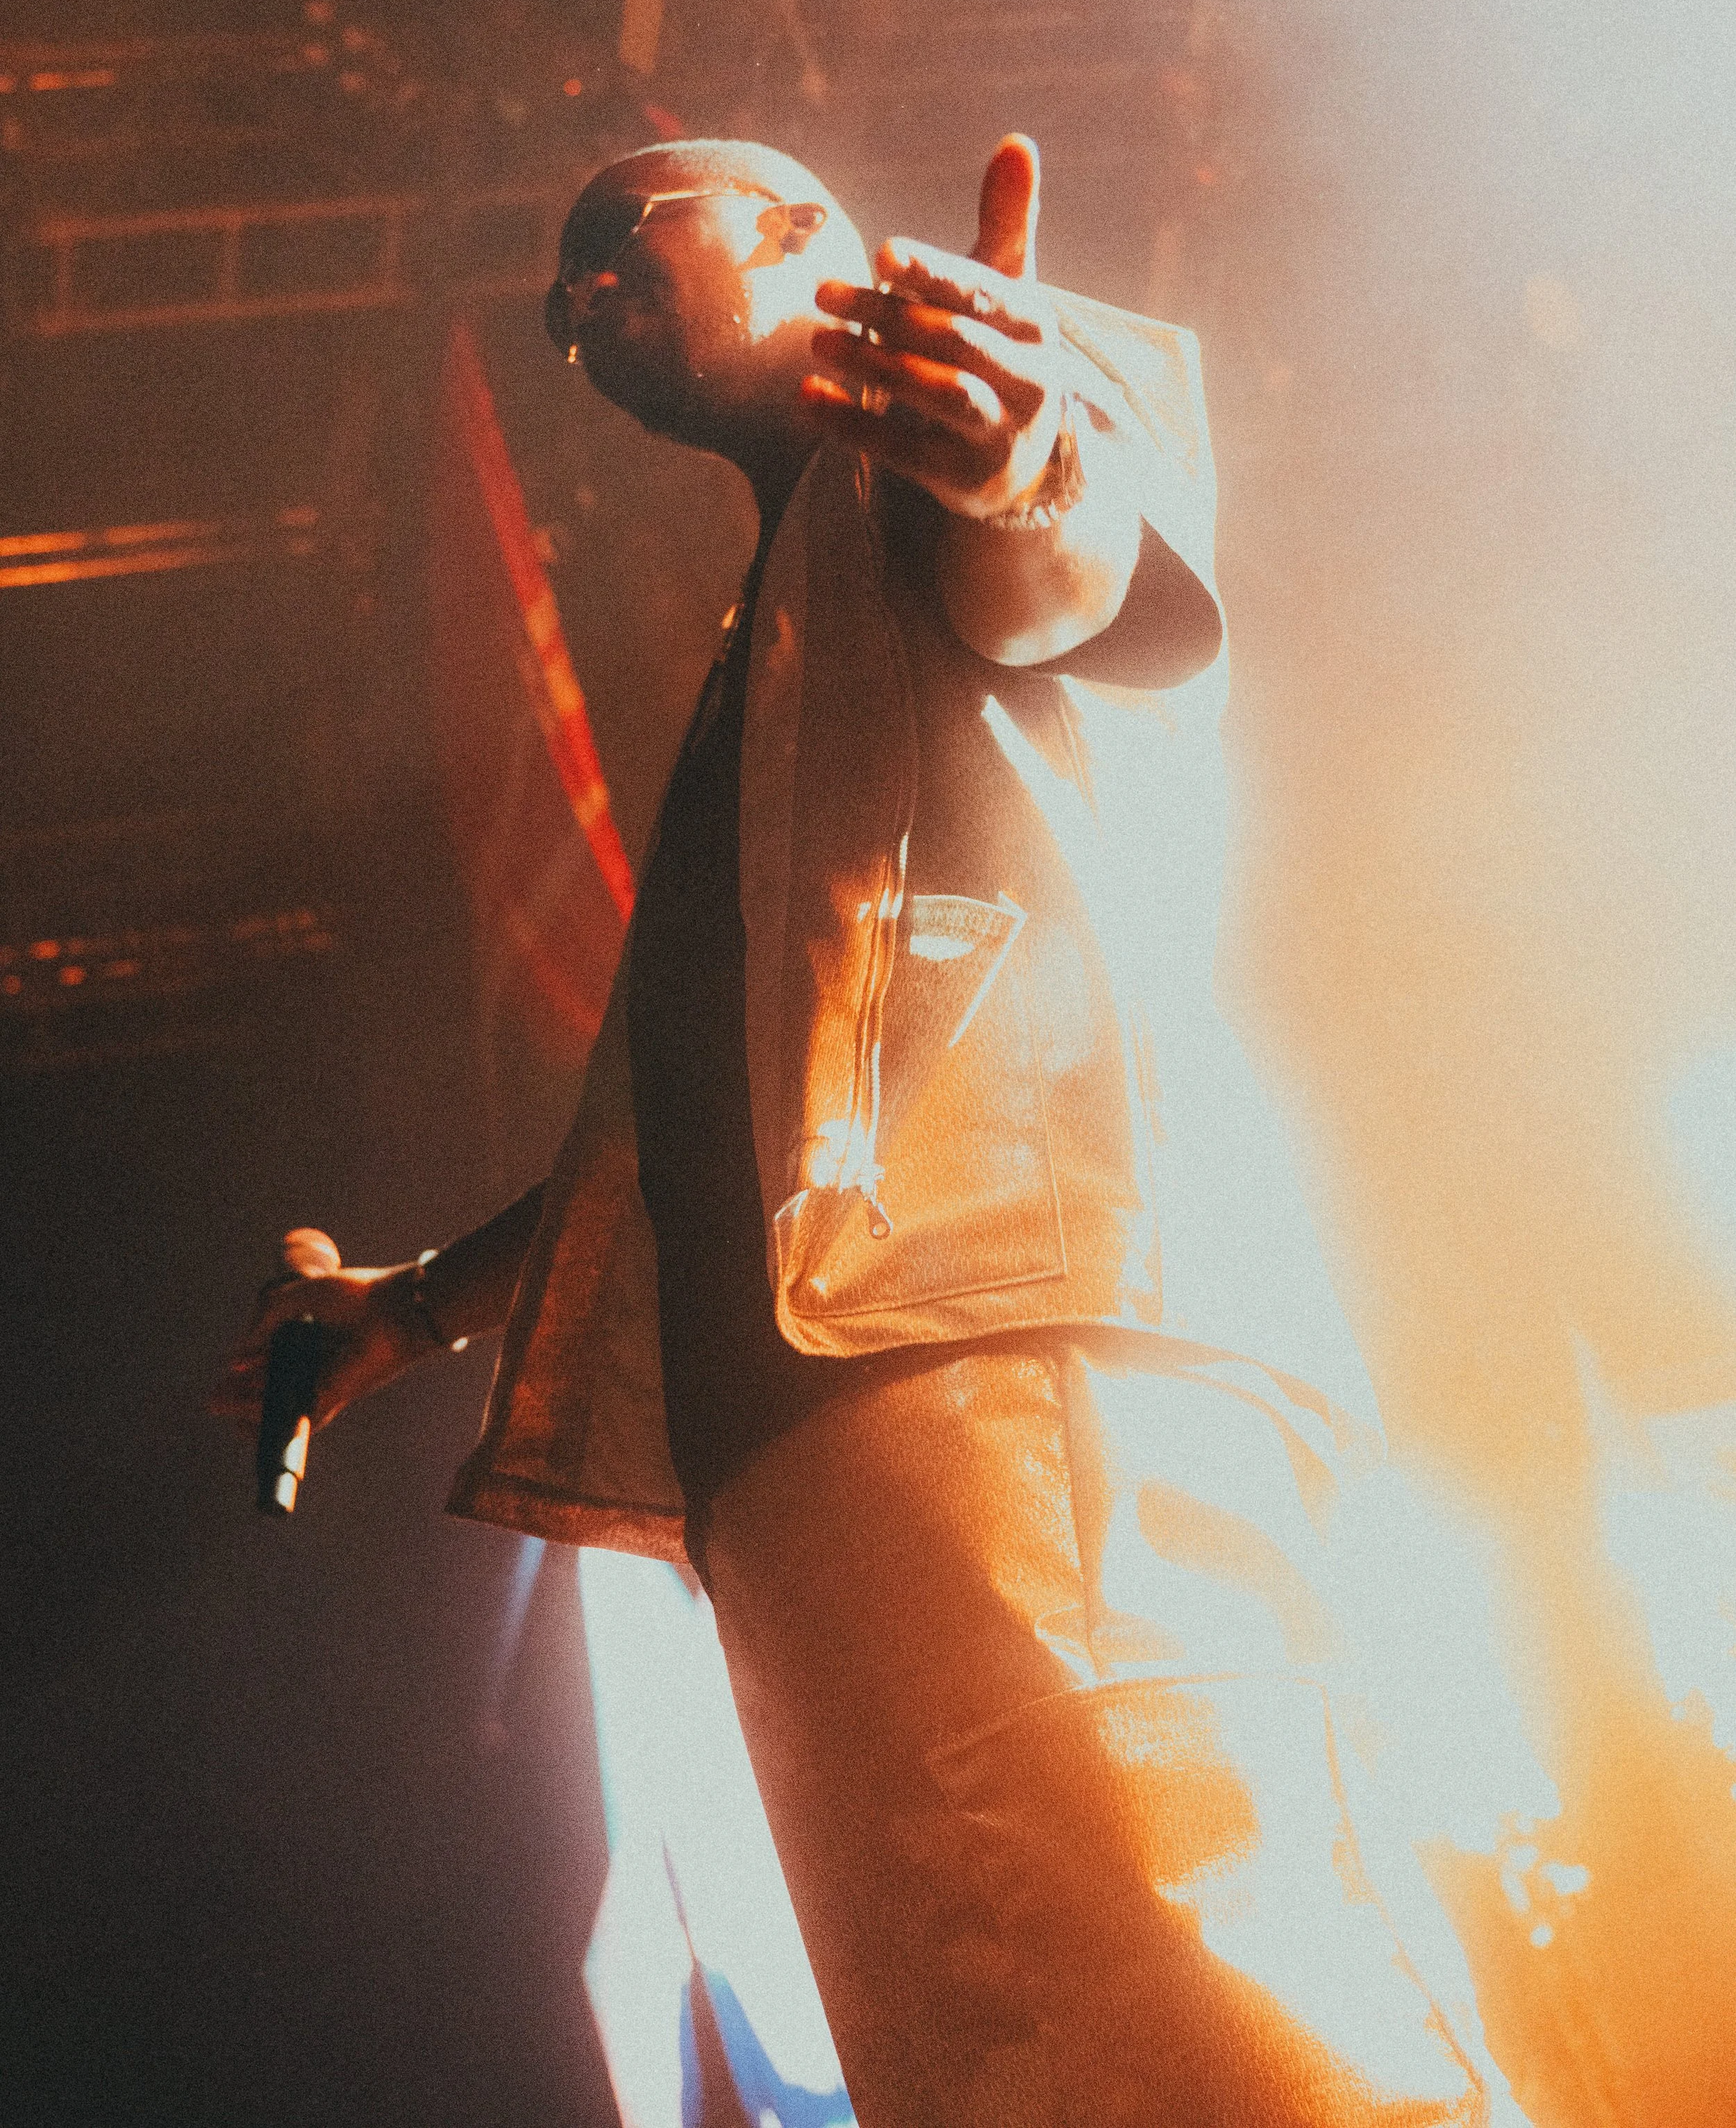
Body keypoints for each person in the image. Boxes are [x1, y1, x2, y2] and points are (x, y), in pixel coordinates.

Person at [217, 133, 1528, 2125]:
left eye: (625, 240)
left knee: (1213, 2007)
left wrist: (1022, 465)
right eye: (566, 291)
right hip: (818, 1457)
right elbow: (673, 1138)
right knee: (1003, 2052)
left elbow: (1072, 574)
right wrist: (413, 1308)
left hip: (1014, 1360)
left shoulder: (968, 422)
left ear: (804, 231)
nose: (579, 306)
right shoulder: (789, 641)